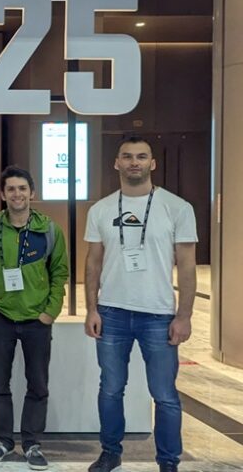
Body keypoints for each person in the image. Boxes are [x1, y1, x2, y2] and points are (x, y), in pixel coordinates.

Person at [84, 135, 197, 472]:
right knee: (111, 389)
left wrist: (184, 316)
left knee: (164, 395)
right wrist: (91, 309)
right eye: (128, 156)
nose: (134, 162)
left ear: (152, 163)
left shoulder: (177, 208)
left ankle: (168, 461)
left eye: (141, 156)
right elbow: (92, 263)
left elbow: (187, 267)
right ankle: (110, 452)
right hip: (112, 313)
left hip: (159, 315)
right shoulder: (101, 209)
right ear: (116, 163)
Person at [0, 166, 68, 470]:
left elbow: (60, 273)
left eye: (22, 188)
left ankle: (32, 443)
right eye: (11, 189)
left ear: (32, 193)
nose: (17, 194)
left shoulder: (49, 230)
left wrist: (50, 312)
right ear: (3, 194)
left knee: (37, 384)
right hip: (0, 317)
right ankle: (2, 440)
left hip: (36, 320)